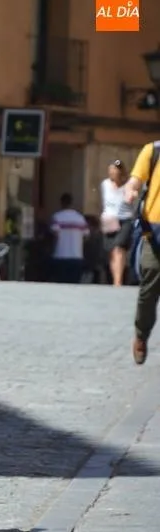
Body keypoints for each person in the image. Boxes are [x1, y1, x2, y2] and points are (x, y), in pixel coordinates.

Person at [127, 140, 160, 364]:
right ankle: (141, 334)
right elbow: (135, 180)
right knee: (149, 288)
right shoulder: (153, 150)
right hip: (155, 232)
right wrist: (131, 190)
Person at [100, 160, 134, 287]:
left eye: (115, 169)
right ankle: (116, 277)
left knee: (119, 248)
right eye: (110, 169)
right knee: (111, 251)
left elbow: (133, 195)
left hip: (125, 219)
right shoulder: (105, 184)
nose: (112, 172)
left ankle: (117, 282)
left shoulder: (128, 185)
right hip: (109, 220)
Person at [49, 192, 89, 284]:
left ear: (61, 203)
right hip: (77, 256)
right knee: (74, 284)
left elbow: (54, 234)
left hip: (61, 255)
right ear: (71, 203)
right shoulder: (80, 219)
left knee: (61, 284)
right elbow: (86, 236)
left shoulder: (57, 217)